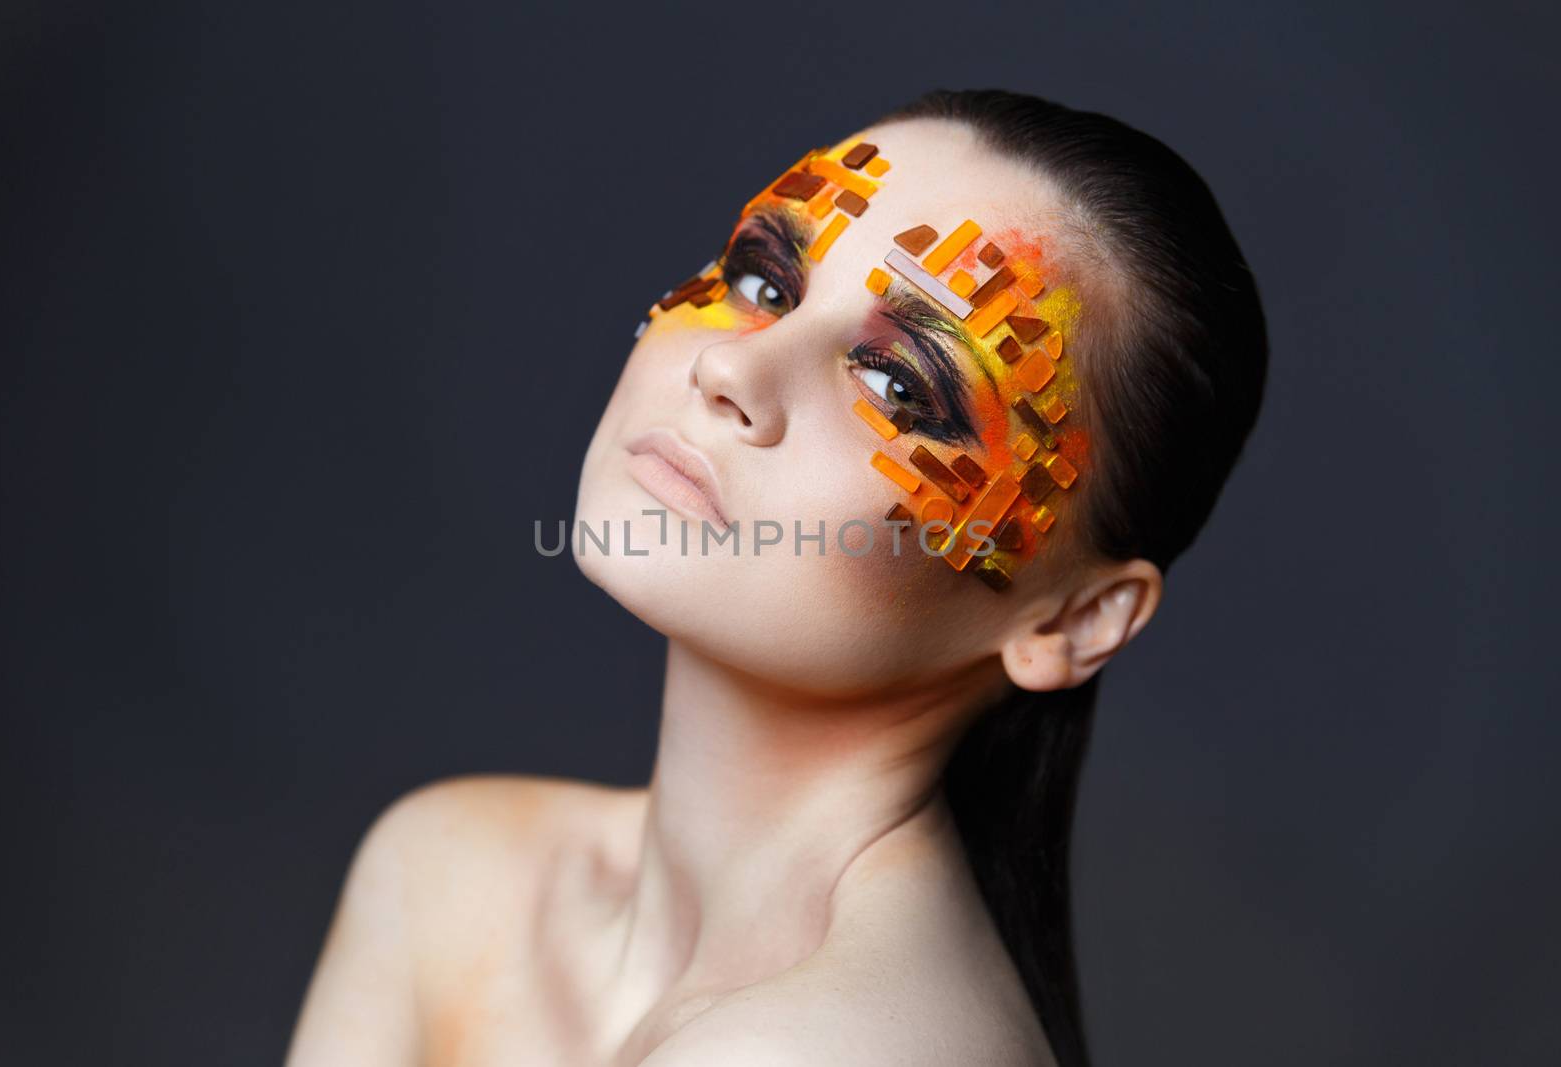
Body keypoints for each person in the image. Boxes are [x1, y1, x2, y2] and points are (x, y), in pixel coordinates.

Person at [286, 88, 1268, 1067]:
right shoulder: (446, 870)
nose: (732, 369)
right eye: (764, 281)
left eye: (899, 387)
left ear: (1076, 620)